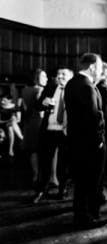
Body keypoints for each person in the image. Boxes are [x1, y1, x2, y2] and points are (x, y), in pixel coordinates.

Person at [65, 53, 107, 229]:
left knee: (82, 182)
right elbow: (93, 117)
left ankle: (82, 215)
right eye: (98, 68)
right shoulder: (86, 86)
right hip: (90, 144)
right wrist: (98, 141)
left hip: (76, 141)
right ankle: (88, 217)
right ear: (91, 67)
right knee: (92, 181)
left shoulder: (72, 83)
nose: (100, 72)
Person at [32, 68, 73, 203]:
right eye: (58, 74)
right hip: (49, 130)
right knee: (44, 161)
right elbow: (37, 106)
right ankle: (41, 190)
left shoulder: (73, 90)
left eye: (63, 74)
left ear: (71, 77)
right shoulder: (50, 88)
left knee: (64, 163)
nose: (60, 77)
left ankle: (63, 189)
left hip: (65, 131)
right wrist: (43, 103)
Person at [21, 68, 47, 185]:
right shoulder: (40, 90)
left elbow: (25, 108)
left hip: (28, 122)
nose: (46, 79)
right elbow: (40, 109)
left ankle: (35, 175)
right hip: (38, 122)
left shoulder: (25, 90)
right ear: (36, 78)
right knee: (41, 150)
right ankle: (42, 176)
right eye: (43, 76)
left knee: (33, 151)